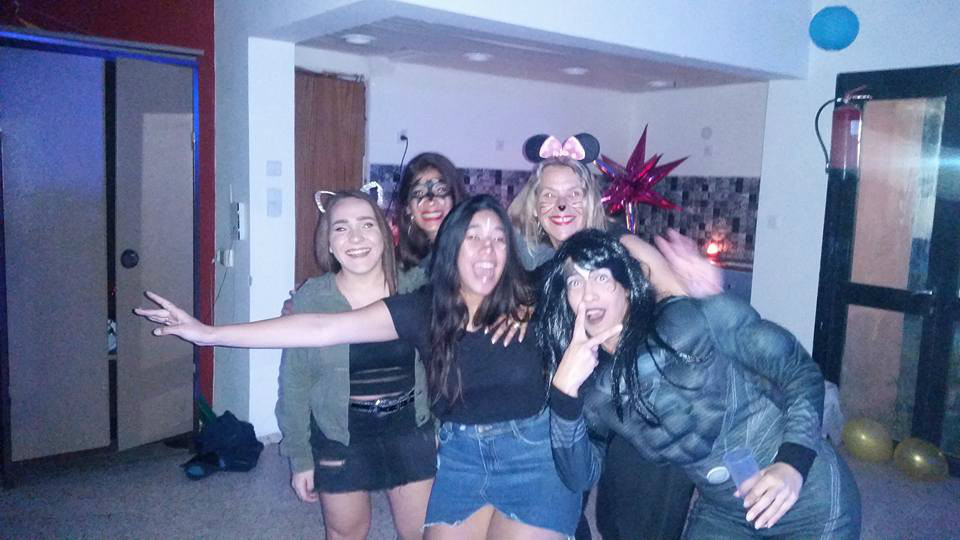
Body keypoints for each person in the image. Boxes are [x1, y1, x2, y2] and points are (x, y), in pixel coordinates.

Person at [136, 195, 582, 540]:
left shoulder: (535, 295)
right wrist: (209, 334)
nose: (487, 250)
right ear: (452, 248)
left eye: (499, 238)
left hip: (533, 455)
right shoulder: (423, 309)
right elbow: (319, 329)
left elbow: (597, 263)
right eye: (473, 237)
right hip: (461, 457)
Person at [537, 230, 862, 538]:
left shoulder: (693, 318)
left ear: (625, 285)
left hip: (807, 496)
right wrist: (564, 397)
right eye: (575, 282)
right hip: (726, 511)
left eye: (601, 278)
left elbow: (798, 370)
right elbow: (580, 476)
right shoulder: (594, 388)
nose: (588, 294)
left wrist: (793, 463)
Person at [509, 135, 709, 539]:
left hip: (651, 408)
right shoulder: (542, 267)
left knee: (633, 529)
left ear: (591, 200)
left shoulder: (624, 247)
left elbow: (686, 314)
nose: (562, 205)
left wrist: (704, 291)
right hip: (587, 410)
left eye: (574, 193)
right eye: (549, 195)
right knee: (566, 506)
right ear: (536, 206)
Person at [276, 191, 435, 540]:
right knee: (346, 532)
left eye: (366, 225)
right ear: (328, 243)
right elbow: (295, 384)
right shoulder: (312, 298)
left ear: (384, 234)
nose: (356, 238)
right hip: (340, 435)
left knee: (420, 533)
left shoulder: (414, 286)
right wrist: (300, 458)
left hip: (410, 428)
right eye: (341, 228)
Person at [393, 152, 468, 273]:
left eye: (441, 190)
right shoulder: (403, 265)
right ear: (408, 208)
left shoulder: (471, 251)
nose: (431, 201)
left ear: (455, 198)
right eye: (419, 193)